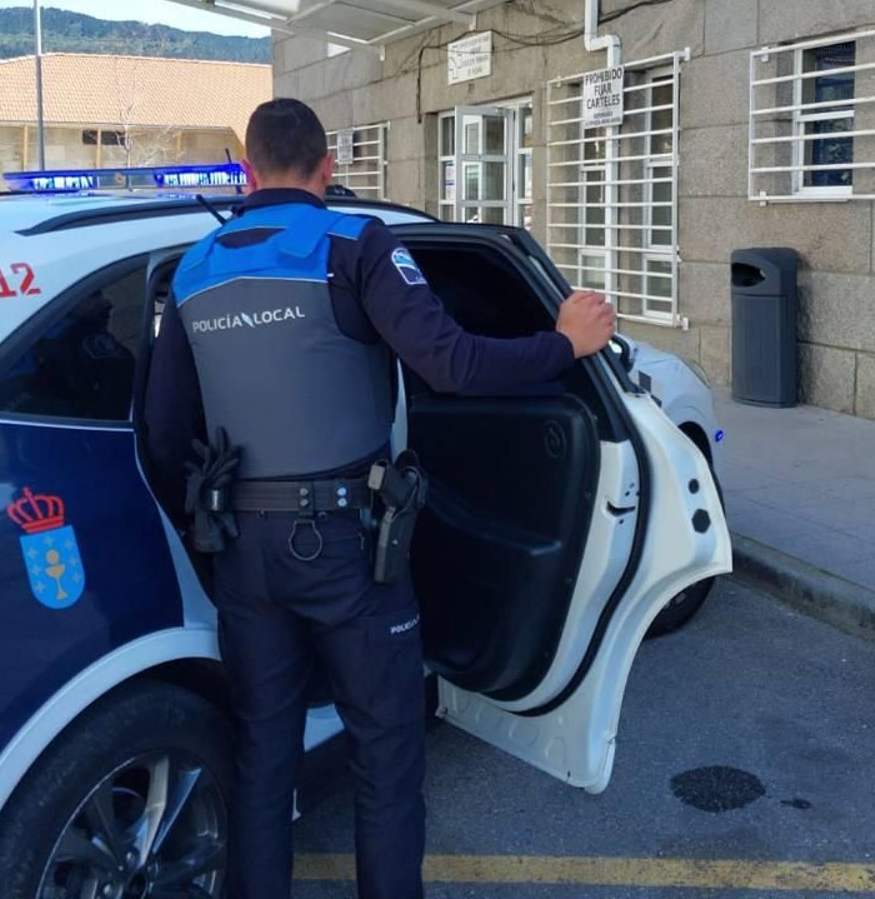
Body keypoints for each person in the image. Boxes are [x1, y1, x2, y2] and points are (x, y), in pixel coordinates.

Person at [143, 97, 615, 899]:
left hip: (243, 551)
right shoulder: (354, 244)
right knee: (385, 757)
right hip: (348, 548)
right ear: (328, 167)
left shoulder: (194, 268)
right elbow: (453, 365)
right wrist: (565, 342)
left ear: (246, 171)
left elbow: (163, 435)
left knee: (264, 759)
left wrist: (211, 536)